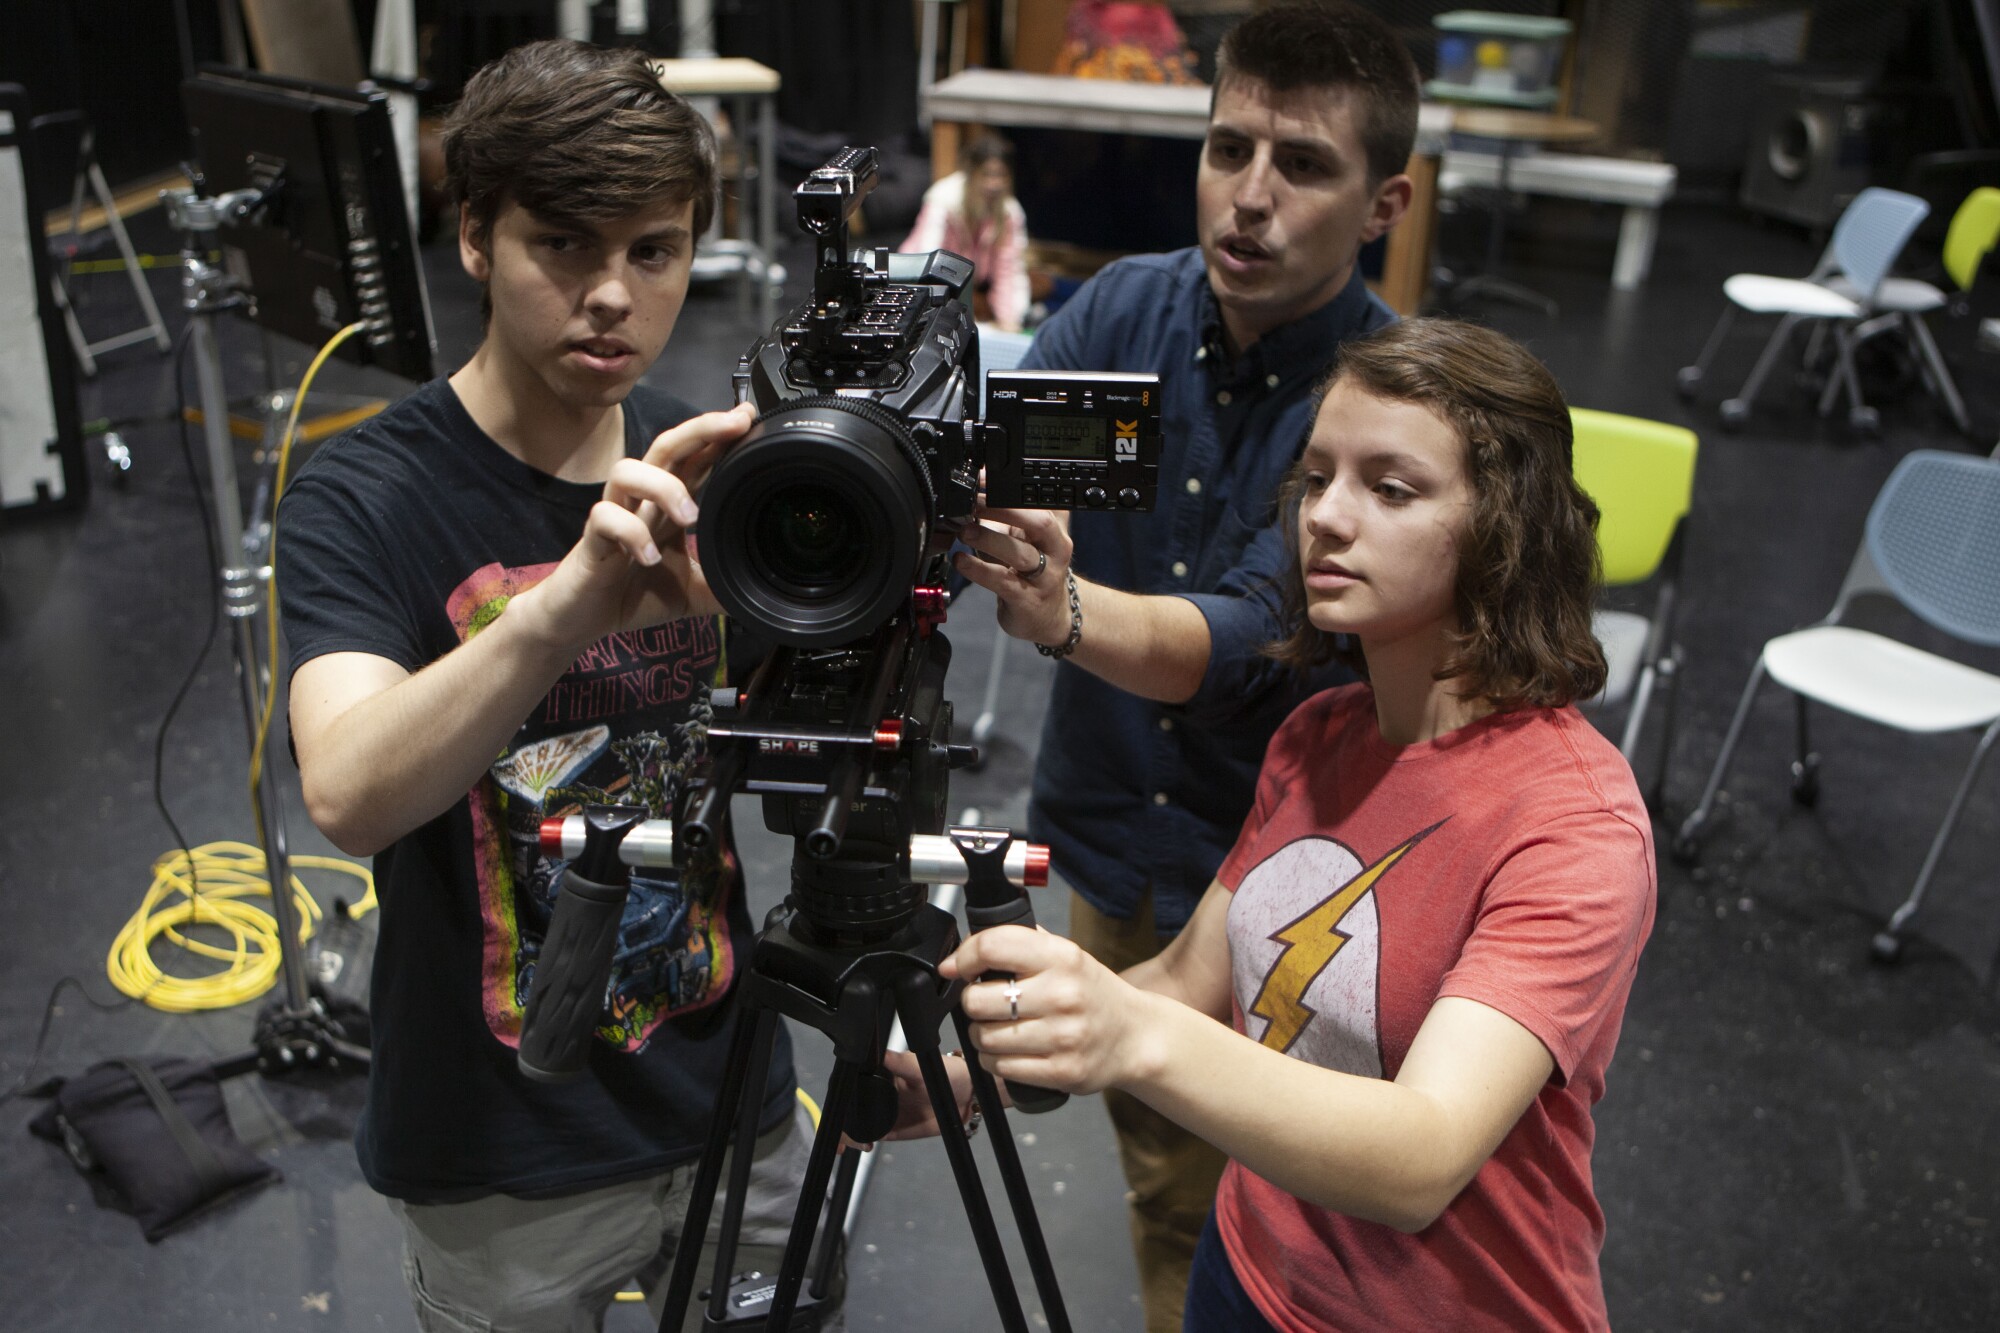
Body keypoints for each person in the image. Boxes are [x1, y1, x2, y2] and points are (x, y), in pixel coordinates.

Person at [915, 317, 1656, 1331]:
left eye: (1389, 488)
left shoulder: (1572, 823)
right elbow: (1184, 983)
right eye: (1317, 478)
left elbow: (1421, 1155)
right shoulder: (1321, 734)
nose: (1326, 519)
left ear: (1505, 525)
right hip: (1251, 1271)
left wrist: (1127, 1033)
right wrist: (972, 1079)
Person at [276, 41, 824, 1332]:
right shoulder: (366, 494)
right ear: (473, 237)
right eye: (564, 248)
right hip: (495, 1143)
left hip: (725, 1103)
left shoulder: (708, 471)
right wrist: (568, 602)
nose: (613, 298)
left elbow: (817, 748)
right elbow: (350, 792)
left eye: (654, 250)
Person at [948, 4, 1418, 1325]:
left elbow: (1245, 638)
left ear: (1384, 200)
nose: (1249, 199)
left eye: (1303, 165)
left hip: (1282, 878)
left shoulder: (1384, 400)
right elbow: (987, 473)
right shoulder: (1116, 310)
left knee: (1278, 1212)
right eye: (1228, 149)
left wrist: (1060, 610)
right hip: (1107, 832)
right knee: (1168, 1180)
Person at [899, 132, 1033, 332]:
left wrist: (1010, 321)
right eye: (987, 174)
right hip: (916, 291)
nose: (994, 183)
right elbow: (928, 264)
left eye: (1001, 175)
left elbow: (1010, 269)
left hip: (966, 293)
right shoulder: (942, 202)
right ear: (972, 172)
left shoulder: (1009, 213)